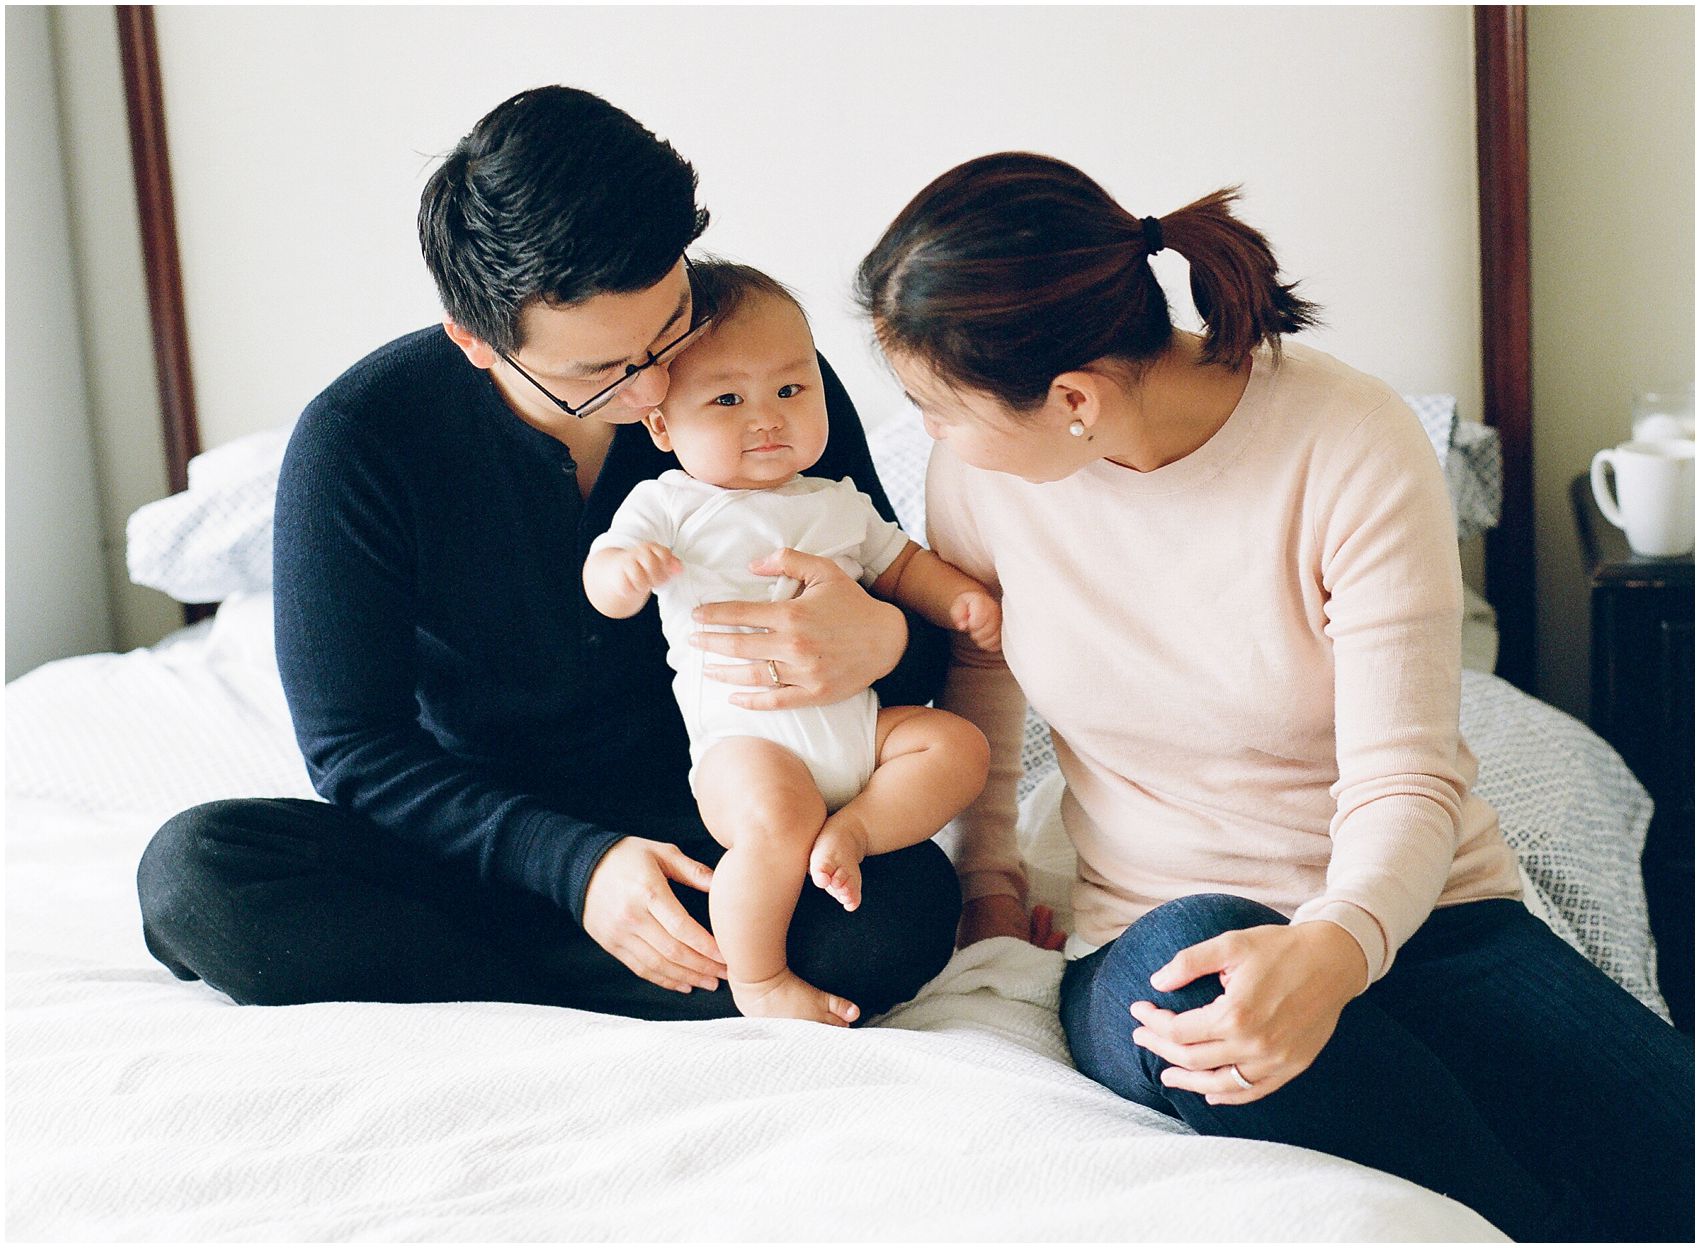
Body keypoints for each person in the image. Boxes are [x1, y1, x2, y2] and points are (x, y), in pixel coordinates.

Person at [855, 151, 1695, 1241]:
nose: (927, 432)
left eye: (934, 405)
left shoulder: (1351, 441)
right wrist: (989, 877)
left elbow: (1405, 774)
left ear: (1074, 400)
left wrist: (1335, 948)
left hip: (1418, 919)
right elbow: (986, 669)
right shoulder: (982, 477)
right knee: (1200, 973)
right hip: (1157, 943)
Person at [133, 86, 962, 1023]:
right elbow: (355, 749)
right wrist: (579, 870)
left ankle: (573, 978)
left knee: (900, 913)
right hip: (483, 845)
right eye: (599, 372)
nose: (653, 390)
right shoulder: (361, 439)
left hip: (725, 830)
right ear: (476, 342)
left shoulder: (758, 378)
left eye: (670, 328)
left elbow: (920, 633)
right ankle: (618, 978)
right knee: (197, 875)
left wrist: (887, 641)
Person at [584, 260, 997, 1025]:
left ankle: (855, 830)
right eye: (728, 399)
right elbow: (602, 574)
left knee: (957, 745)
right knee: (776, 821)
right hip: (746, 749)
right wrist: (623, 575)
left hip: (858, 733)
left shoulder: (839, 502)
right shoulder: (670, 504)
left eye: (790, 389)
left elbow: (903, 565)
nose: (766, 418)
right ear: (662, 426)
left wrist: (960, 599)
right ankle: (760, 978)